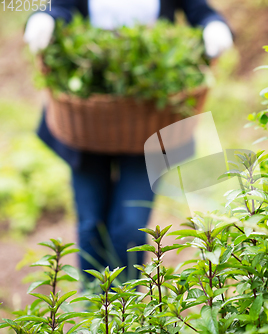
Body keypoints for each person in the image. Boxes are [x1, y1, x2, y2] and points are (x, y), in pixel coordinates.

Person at [23, 0, 233, 280]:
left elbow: (201, 12)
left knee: (130, 227)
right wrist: (43, 19)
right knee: (91, 225)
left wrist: (214, 27)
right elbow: (60, 7)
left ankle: (126, 313)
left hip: (150, 120)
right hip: (88, 126)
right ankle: (93, 310)